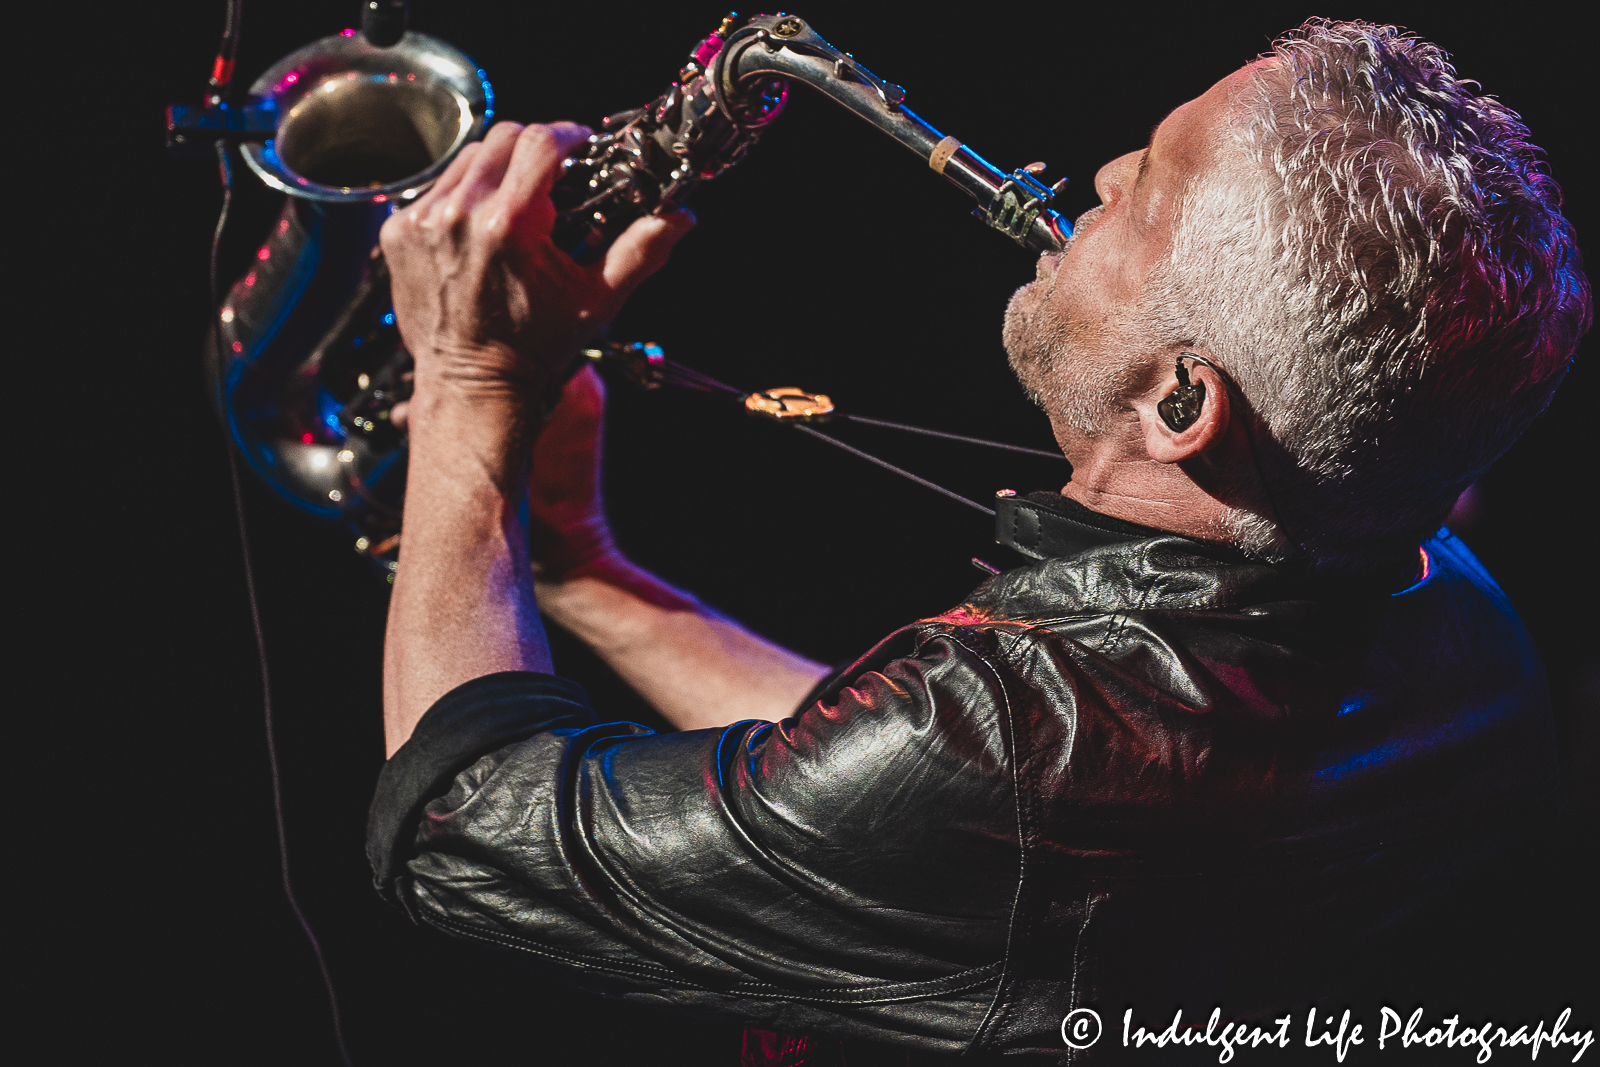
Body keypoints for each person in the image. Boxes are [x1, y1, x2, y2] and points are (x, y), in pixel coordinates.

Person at [366, 19, 1588, 1063]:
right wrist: (584, 571)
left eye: (1151, 194)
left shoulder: (1017, 748)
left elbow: (460, 828)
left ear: (1180, 403)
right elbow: (899, 819)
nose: (1105, 174)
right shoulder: (1441, 600)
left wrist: (471, 384)